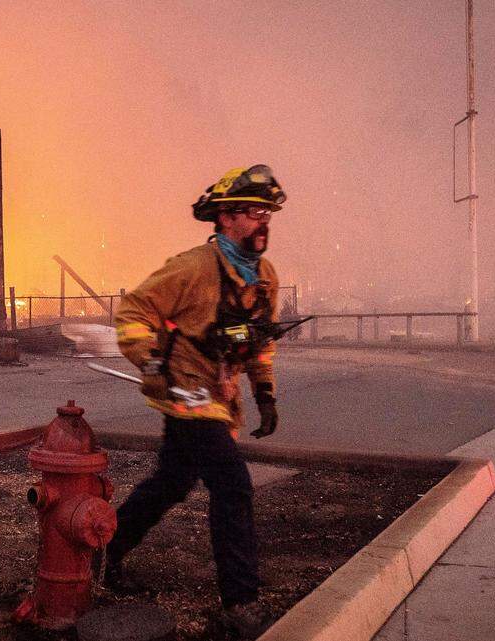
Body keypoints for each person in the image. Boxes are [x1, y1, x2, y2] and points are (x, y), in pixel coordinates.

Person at [103, 165, 285, 637]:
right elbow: (134, 312)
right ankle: (240, 604)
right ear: (224, 219)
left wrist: (265, 391)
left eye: (267, 212)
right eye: (251, 212)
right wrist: (149, 363)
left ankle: (103, 554)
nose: (262, 222)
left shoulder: (265, 277)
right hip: (184, 390)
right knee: (232, 483)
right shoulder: (191, 268)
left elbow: (260, 341)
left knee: (171, 482)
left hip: (222, 396)